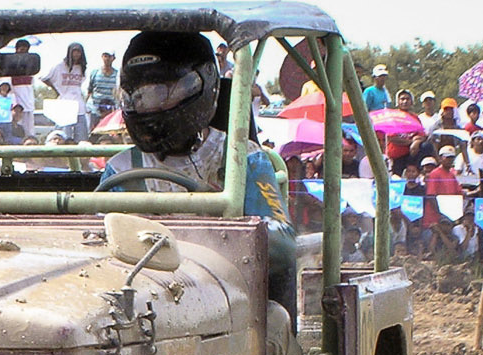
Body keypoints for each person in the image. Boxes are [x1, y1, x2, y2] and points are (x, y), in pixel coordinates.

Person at [103, 30, 294, 308]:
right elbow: (95, 244)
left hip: (229, 301)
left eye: (160, 93)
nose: (145, 106)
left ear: (198, 86)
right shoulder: (120, 169)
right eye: (137, 96)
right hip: (145, 301)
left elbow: (282, 245)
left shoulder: (242, 159)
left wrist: (216, 229)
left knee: (276, 316)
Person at [42, 43, 87, 142]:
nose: (76, 54)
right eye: (74, 51)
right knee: (64, 136)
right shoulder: (59, 66)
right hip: (64, 104)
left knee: (81, 137)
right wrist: (56, 90)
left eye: (78, 52)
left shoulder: (81, 67)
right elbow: (44, 78)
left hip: (79, 105)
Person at [87, 51, 118, 134]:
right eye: (105, 56)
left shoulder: (117, 75)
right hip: (95, 111)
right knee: (94, 133)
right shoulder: (95, 73)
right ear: (102, 57)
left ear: (113, 58)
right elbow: (89, 91)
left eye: (109, 56)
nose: (107, 59)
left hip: (111, 111)